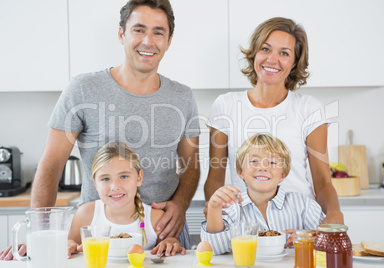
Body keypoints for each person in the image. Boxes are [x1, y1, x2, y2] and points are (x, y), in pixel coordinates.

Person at [30, 0, 200, 248]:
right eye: (139, 30)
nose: (148, 41)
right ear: (122, 34)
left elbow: (191, 164)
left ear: (169, 41)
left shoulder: (182, 97)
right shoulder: (83, 90)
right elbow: (52, 164)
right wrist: (40, 236)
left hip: (165, 236)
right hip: (99, 236)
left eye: (158, 32)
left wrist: (182, 204)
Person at [204, 17, 343, 224]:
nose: (272, 59)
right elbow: (215, 177)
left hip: (298, 225)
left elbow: (322, 182)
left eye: (284, 53)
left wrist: (334, 214)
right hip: (245, 225)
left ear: (295, 62)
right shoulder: (226, 105)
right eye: (266, 49)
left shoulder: (309, 109)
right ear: (254, 54)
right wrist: (215, 212)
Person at [0, 142, 186, 260]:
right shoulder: (87, 215)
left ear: (139, 178)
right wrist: (69, 246)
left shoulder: (155, 218)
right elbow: (67, 247)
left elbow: (172, 249)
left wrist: (171, 243)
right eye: (105, 179)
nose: (114, 186)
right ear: (94, 183)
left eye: (123, 176)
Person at [200, 134, 325, 254]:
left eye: (271, 163)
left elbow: (328, 240)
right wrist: (214, 208)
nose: (263, 168)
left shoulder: (303, 205)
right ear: (240, 172)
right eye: (254, 161)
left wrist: (309, 238)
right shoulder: (230, 207)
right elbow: (214, 249)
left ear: (282, 175)